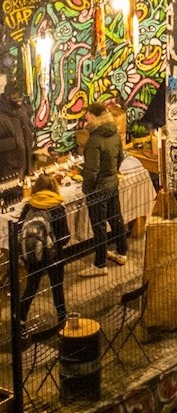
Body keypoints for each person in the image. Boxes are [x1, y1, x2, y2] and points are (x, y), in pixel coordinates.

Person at [17, 173, 70, 330]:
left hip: (33, 255)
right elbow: (65, 236)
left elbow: (21, 228)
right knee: (57, 286)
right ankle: (62, 317)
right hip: (55, 255)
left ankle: (20, 320)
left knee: (31, 287)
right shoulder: (57, 207)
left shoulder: (29, 206)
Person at [81, 102, 127, 276]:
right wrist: (112, 173)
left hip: (98, 188)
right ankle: (122, 252)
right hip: (112, 183)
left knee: (98, 226)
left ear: (93, 117)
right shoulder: (114, 133)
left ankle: (100, 264)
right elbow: (120, 157)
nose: (85, 119)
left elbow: (92, 170)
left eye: (87, 116)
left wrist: (87, 189)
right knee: (116, 218)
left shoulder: (94, 140)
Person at [0, 87, 34, 184]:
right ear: (7, 97)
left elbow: (29, 133)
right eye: (16, 97)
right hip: (7, 173)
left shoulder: (22, 111)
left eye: (21, 97)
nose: (19, 100)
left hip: (26, 167)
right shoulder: (2, 117)